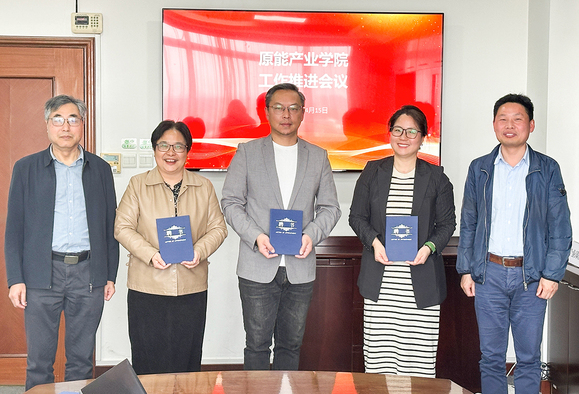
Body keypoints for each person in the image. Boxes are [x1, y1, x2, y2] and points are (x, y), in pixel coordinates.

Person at [221, 83, 341, 370]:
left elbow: (330, 207)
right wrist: (256, 236)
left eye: (293, 108)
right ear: (267, 112)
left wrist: (311, 235)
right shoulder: (247, 152)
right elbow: (231, 202)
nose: (286, 114)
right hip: (257, 265)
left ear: (303, 113)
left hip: (300, 267)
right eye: (278, 108)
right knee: (257, 345)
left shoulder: (318, 156)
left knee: (291, 346)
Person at [457, 94, 572, 393]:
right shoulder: (480, 168)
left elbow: (560, 226)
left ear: (531, 125)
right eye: (503, 119)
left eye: (517, 119)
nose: (510, 125)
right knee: (491, 357)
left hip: (531, 276)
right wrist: (466, 270)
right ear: (494, 125)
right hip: (489, 274)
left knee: (529, 358)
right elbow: (469, 222)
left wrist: (552, 274)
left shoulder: (547, 168)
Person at [4, 95, 119, 390]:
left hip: (88, 273)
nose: (65, 127)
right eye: (58, 119)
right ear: (47, 125)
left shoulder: (100, 169)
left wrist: (110, 274)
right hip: (41, 274)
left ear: (82, 125)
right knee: (39, 361)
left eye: (72, 119)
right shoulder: (26, 168)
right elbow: (14, 228)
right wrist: (15, 279)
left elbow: (110, 225)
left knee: (81, 361)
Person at [349, 105, 456, 377]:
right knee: (379, 362)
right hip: (381, 285)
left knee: (418, 364)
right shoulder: (372, 172)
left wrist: (429, 248)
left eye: (411, 131)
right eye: (398, 130)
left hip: (420, 283)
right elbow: (356, 217)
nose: (403, 137)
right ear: (389, 134)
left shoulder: (436, 177)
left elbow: (447, 224)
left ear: (423, 138)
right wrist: (374, 242)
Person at [114, 120, 227, 375]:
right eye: (163, 145)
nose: (171, 152)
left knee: (187, 357)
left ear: (188, 151)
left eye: (178, 146)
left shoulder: (204, 186)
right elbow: (122, 227)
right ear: (154, 149)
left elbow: (219, 228)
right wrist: (150, 254)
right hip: (147, 286)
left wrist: (199, 251)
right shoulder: (138, 184)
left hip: (191, 286)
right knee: (147, 357)